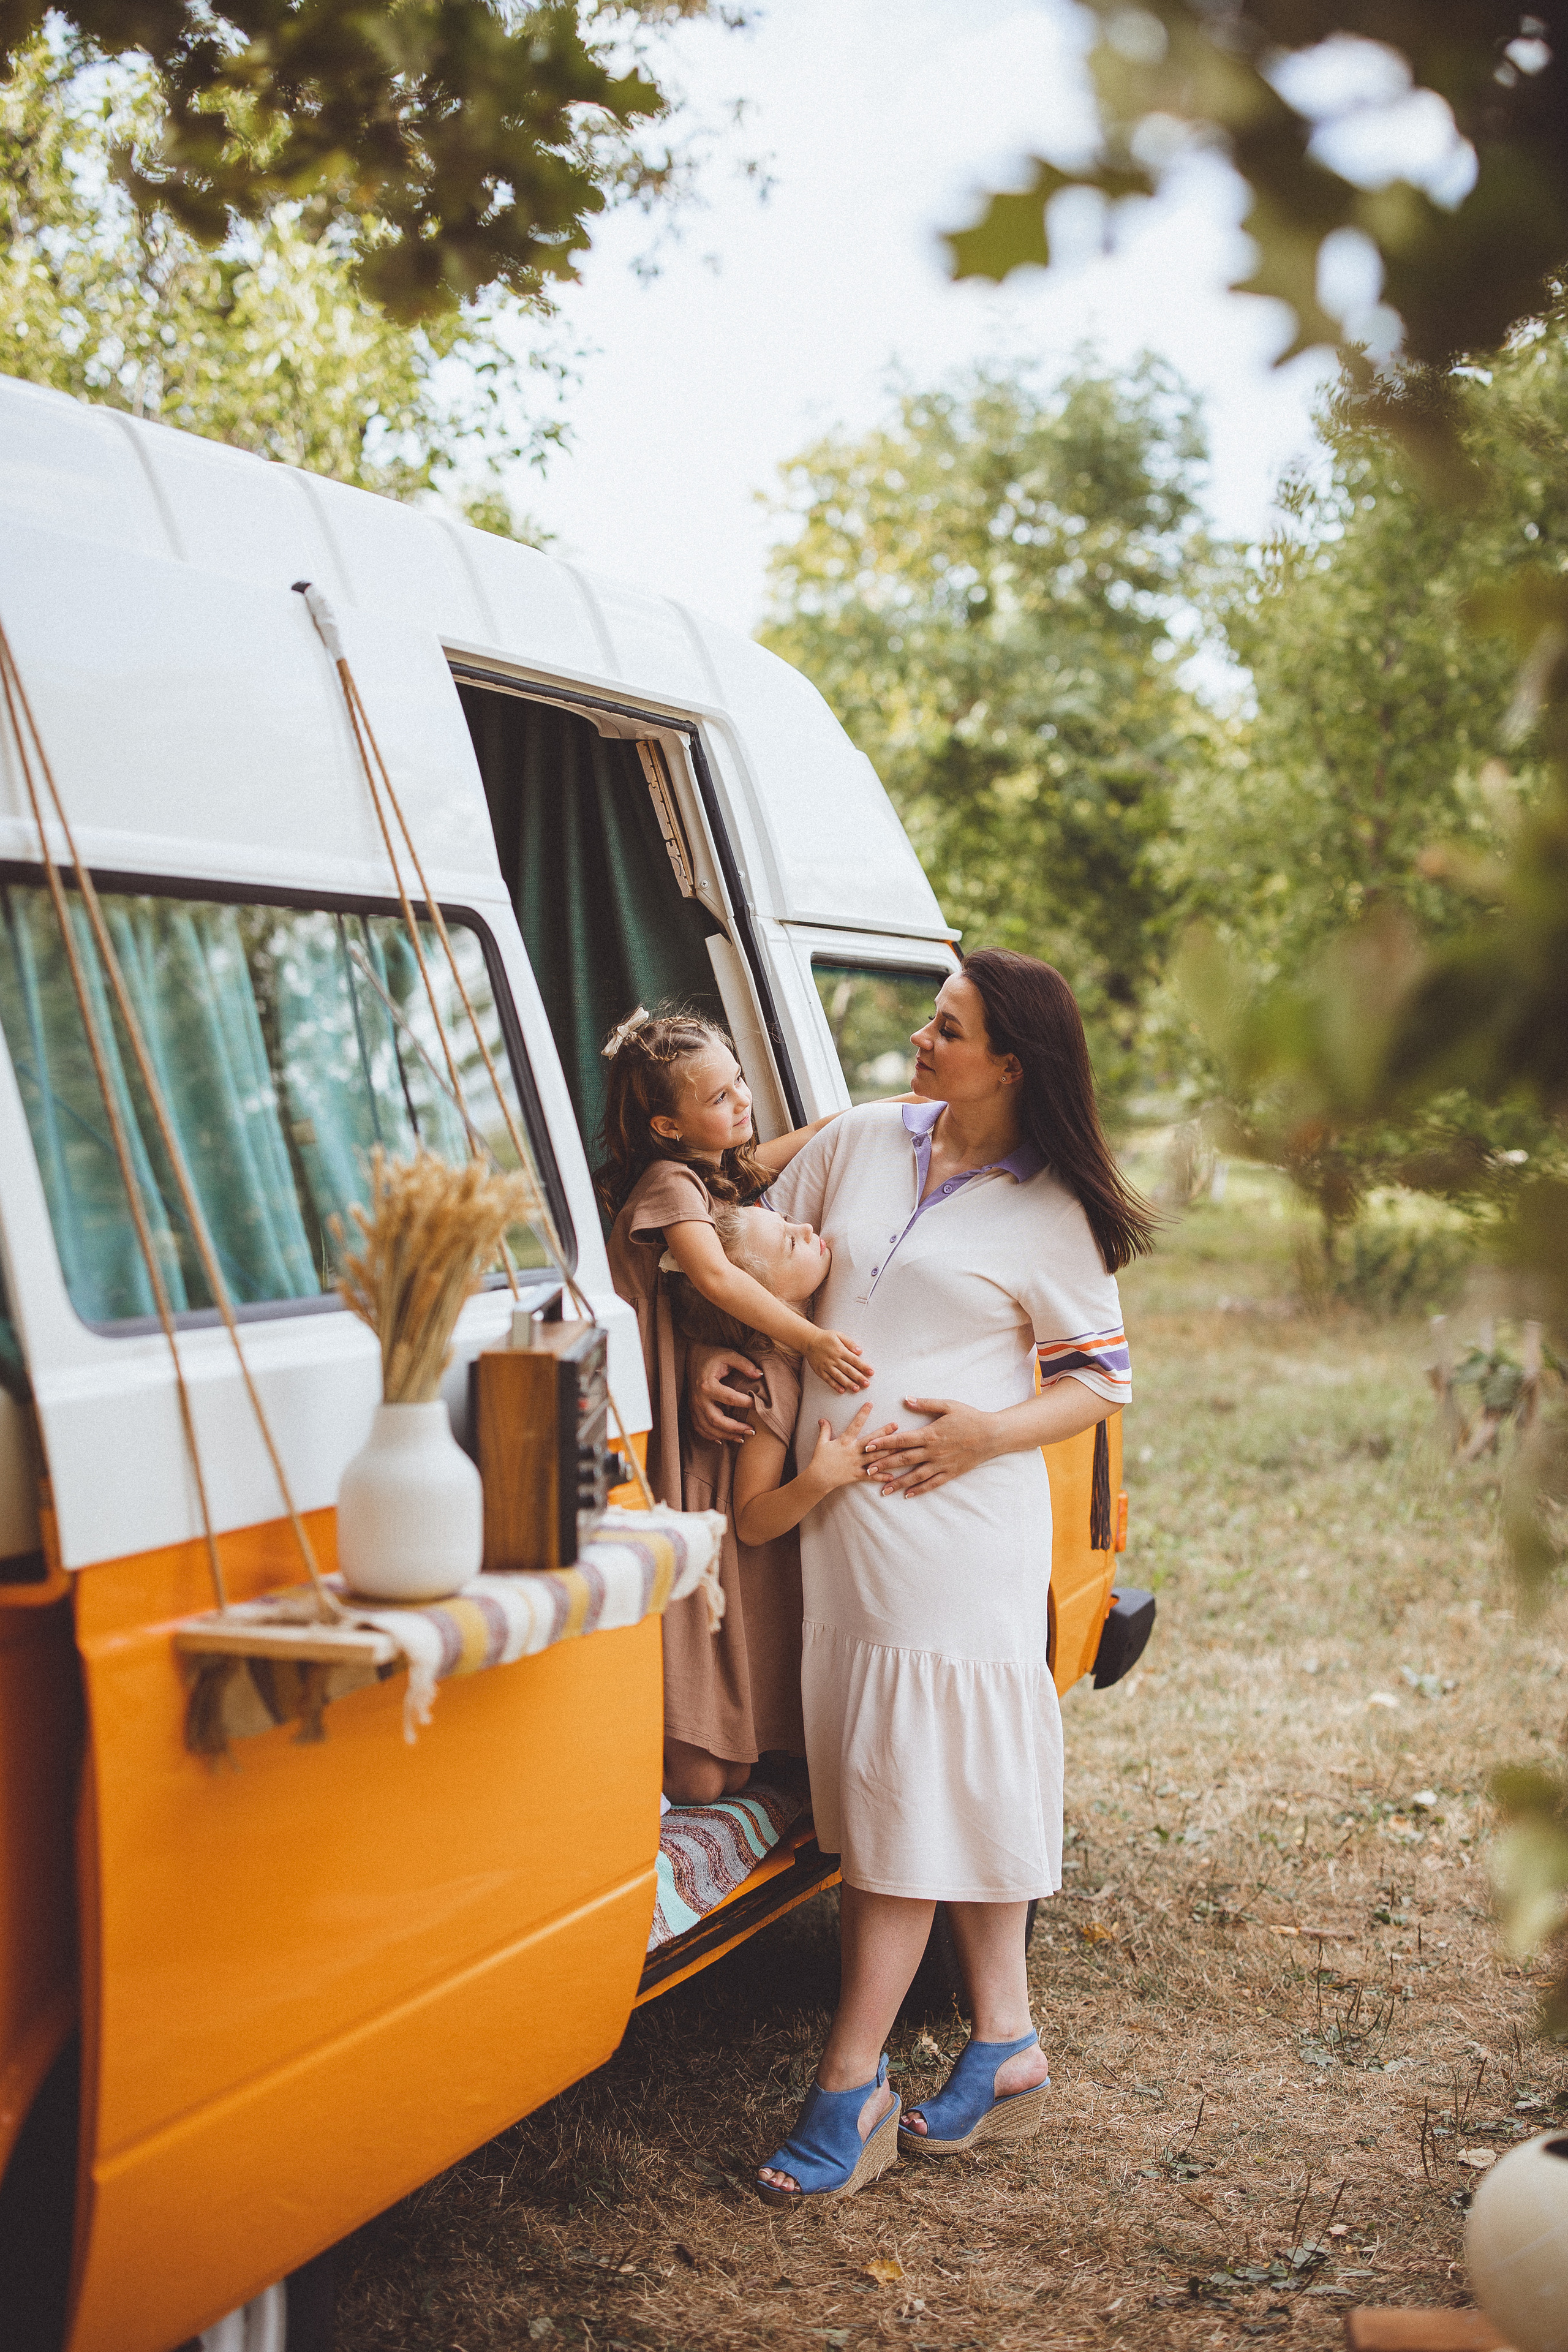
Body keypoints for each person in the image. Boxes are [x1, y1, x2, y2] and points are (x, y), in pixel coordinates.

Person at [741, 948, 1153, 2205]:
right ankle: (1008, 2042)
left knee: (906, 1802)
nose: (920, 1041)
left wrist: (979, 1432)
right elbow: (751, 1240)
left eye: (949, 1030)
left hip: (955, 1524)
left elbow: (1096, 1379)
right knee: (940, 1774)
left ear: (1012, 1065)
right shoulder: (861, 1137)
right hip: (844, 1521)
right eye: (930, 1020)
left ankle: (846, 2088)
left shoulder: (1051, 1212)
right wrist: (732, 1362)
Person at [597, 1006, 871, 1803]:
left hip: (675, 1384)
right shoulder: (670, 1183)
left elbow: (771, 1157)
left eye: (740, 1082)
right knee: (686, 1565)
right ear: (667, 1125)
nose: (742, 1103)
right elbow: (719, 1281)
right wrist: (812, 1341)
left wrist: (848, 1123)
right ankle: (674, 1738)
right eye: (719, 1098)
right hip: (643, 1396)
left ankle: (718, 1731)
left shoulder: (709, 1177)